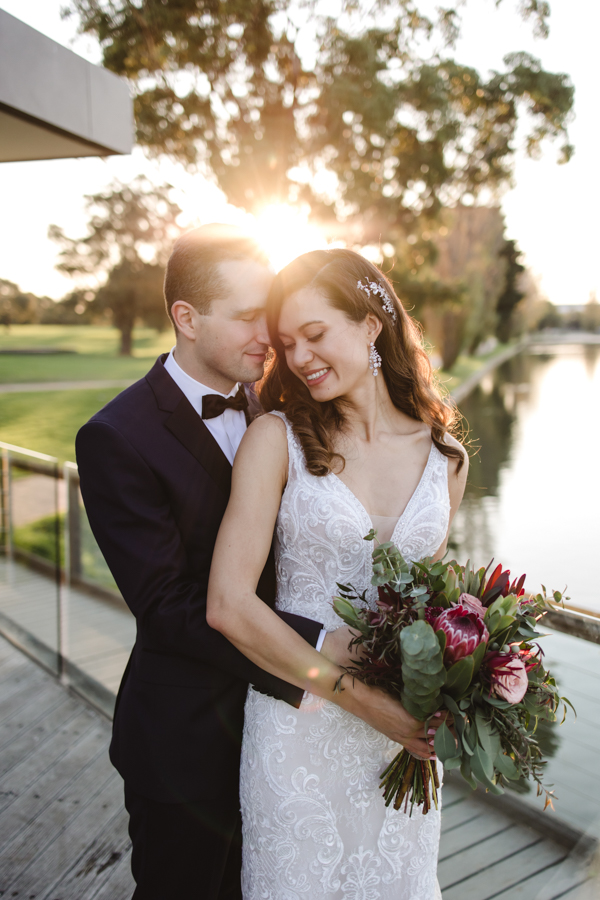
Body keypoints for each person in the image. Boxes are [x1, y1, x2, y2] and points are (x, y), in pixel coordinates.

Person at [76, 227, 434, 900]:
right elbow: (169, 606)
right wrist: (328, 649)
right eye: (248, 319)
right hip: (191, 741)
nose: (271, 341)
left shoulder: (286, 405)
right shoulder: (115, 438)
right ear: (187, 317)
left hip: (306, 736)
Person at [207, 248, 469, 900]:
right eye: (288, 343)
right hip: (296, 731)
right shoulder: (277, 440)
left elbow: (428, 610)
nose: (298, 358)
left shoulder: (447, 459)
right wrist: (359, 698)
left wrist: (463, 674)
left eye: (315, 335)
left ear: (371, 325)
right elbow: (229, 604)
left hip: (395, 749)